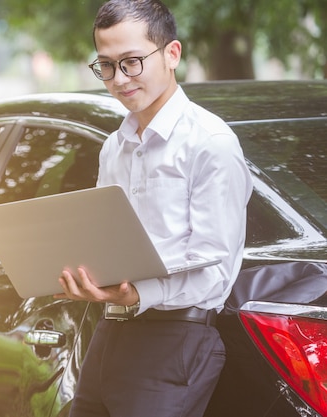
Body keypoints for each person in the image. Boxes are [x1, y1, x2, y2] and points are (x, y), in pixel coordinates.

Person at [54, 1, 253, 416]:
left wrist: (138, 293)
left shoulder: (210, 143)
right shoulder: (114, 147)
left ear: (172, 54)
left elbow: (215, 273)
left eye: (131, 62)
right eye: (106, 65)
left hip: (176, 338)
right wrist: (83, 272)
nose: (119, 79)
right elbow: (104, 241)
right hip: (109, 332)